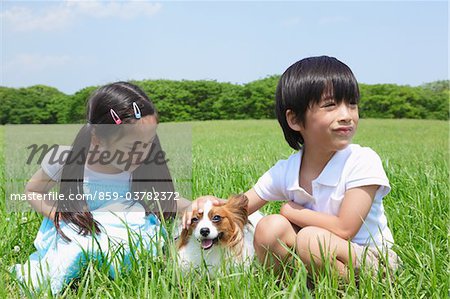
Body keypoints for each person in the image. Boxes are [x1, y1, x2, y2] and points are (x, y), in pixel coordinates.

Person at [183, 56, 399, 278]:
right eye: (330, 105)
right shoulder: (287, 170)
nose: (346, 115)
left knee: (310, 239)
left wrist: (291, 211)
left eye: (352, 104)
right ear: (294, 119)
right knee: (270, 228)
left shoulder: (362, 160)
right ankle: (295, 287)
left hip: (369, 259)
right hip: (317, 253)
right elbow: (238, 210)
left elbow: (345, 228)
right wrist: (208, 203)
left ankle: (348, 291)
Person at [12, 82, 184, 294]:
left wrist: (198, 205)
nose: (144, 153)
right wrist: (59, 215)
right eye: (132, 147)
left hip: (125, 225)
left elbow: (165, 198)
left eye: (149, 142)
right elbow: (33, 191)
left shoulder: (136, 164)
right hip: (84, 224)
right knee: (79, 247)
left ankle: (127, 268)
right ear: (98, 138)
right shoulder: (65, 159)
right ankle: (71, 277)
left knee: (148, 245)